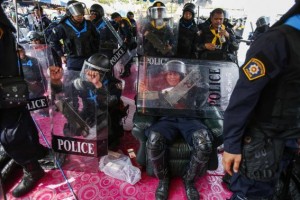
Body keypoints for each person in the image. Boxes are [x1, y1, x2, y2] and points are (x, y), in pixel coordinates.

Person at [222, 1, 300, 200]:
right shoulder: (276, 41)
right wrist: (231, 144)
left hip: (289, 138)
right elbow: (243, 96)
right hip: (262, 143)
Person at [142, 60, 212, 200]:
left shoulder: (192, 87)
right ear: (165, 75)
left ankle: (189, 180)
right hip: (167, 120)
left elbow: (204, 90)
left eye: (176, 74)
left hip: (189, 119)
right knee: (154, 139)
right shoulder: (159, 89)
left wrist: (192, 81)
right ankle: (163, 180)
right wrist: (143, 92)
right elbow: (144, 101)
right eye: (169, 74)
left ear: (182, 75)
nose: (172, 77)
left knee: (204, 143)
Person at [0, 1, 49, 197]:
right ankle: (35, 152)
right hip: (10, 88)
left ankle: (32, 168)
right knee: (21, 122)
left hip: (6, 88)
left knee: (10, 134)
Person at [111, 12, 135, 78]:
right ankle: (128, 71)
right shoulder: (123, 21)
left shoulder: (123, 22)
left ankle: (126, 72)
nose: (115, 21)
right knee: (127, 57)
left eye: (116, 19)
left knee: (126, 58)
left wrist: (125, 41)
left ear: (118, 17)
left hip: (127, 43)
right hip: (127, 42)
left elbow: (127, 33)